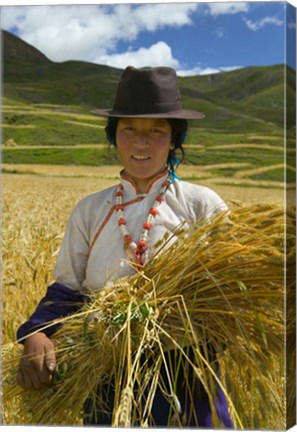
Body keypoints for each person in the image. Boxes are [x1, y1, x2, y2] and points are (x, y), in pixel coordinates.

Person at [16, 66, 233, 428]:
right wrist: (35, 333)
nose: (141, 142)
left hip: (188, 372)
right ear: (113, 136)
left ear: (174, 139)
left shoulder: (201, 205)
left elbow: (230, 292)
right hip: (107, 373)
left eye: (156, 131)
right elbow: (68, 288)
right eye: (129, 128)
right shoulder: (90, 210)